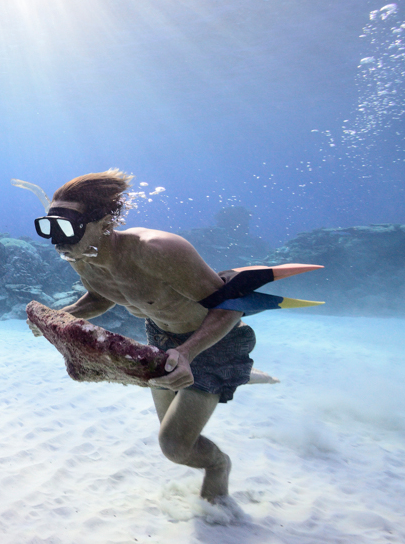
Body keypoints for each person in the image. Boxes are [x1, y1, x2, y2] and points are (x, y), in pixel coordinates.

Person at [28, 170, 256, 503]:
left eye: (65, 227)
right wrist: (57, 318)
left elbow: (232, 306)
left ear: (102, 221)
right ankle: (235, 379)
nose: (57, 241)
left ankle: (219, 466)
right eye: (48, 227)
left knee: (175, 447)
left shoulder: (157, 249)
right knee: (172, 430)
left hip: (215, 344)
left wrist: (189, 353)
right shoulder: (82, 254)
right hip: (161, 339)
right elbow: (101, 296)